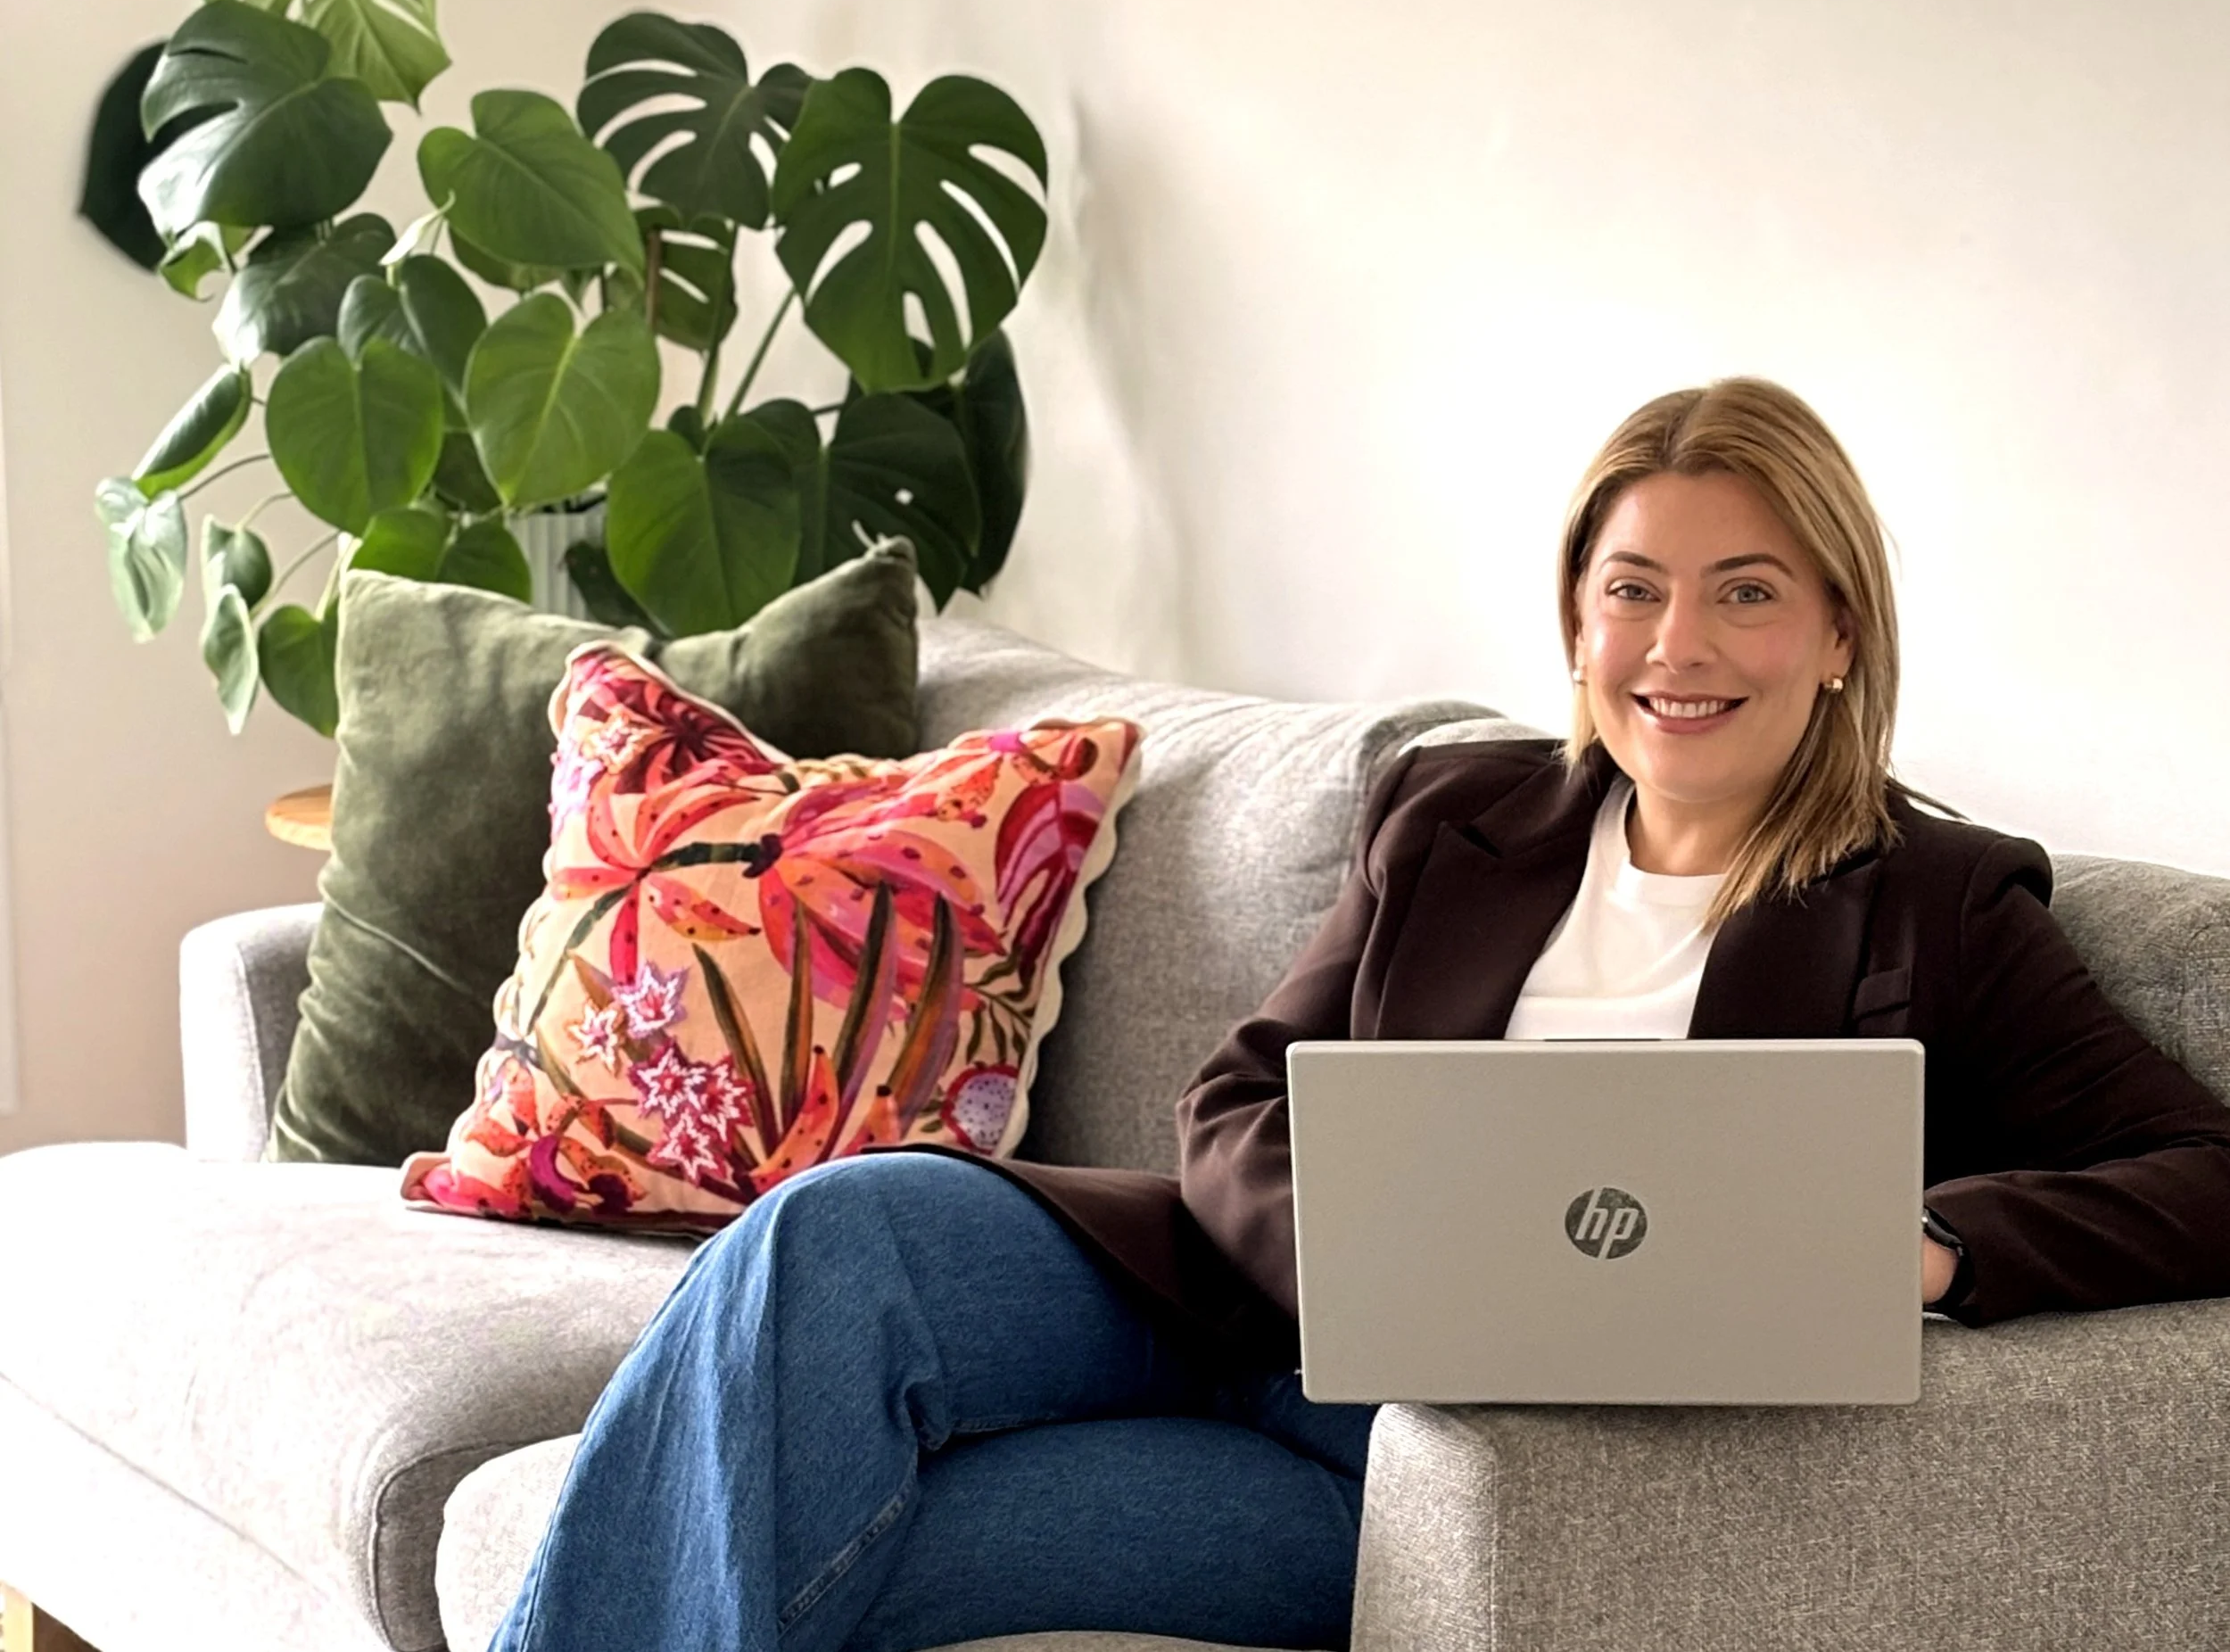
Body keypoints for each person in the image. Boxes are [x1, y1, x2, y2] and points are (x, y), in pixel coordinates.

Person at [489, 377, 2230, 1652]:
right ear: (1576, 614)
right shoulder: (1457, 812)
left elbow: (2199, 1163)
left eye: (1744, 587)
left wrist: (1921, 1242)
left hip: (1408, 1460)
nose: (1673, 641)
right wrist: (1350, 1268)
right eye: (1631, 585)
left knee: (834, 1542)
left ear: (1837, 632)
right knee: (830, 1232)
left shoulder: (1935, 905)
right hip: (1227, 1294)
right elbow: (1238, 1097)